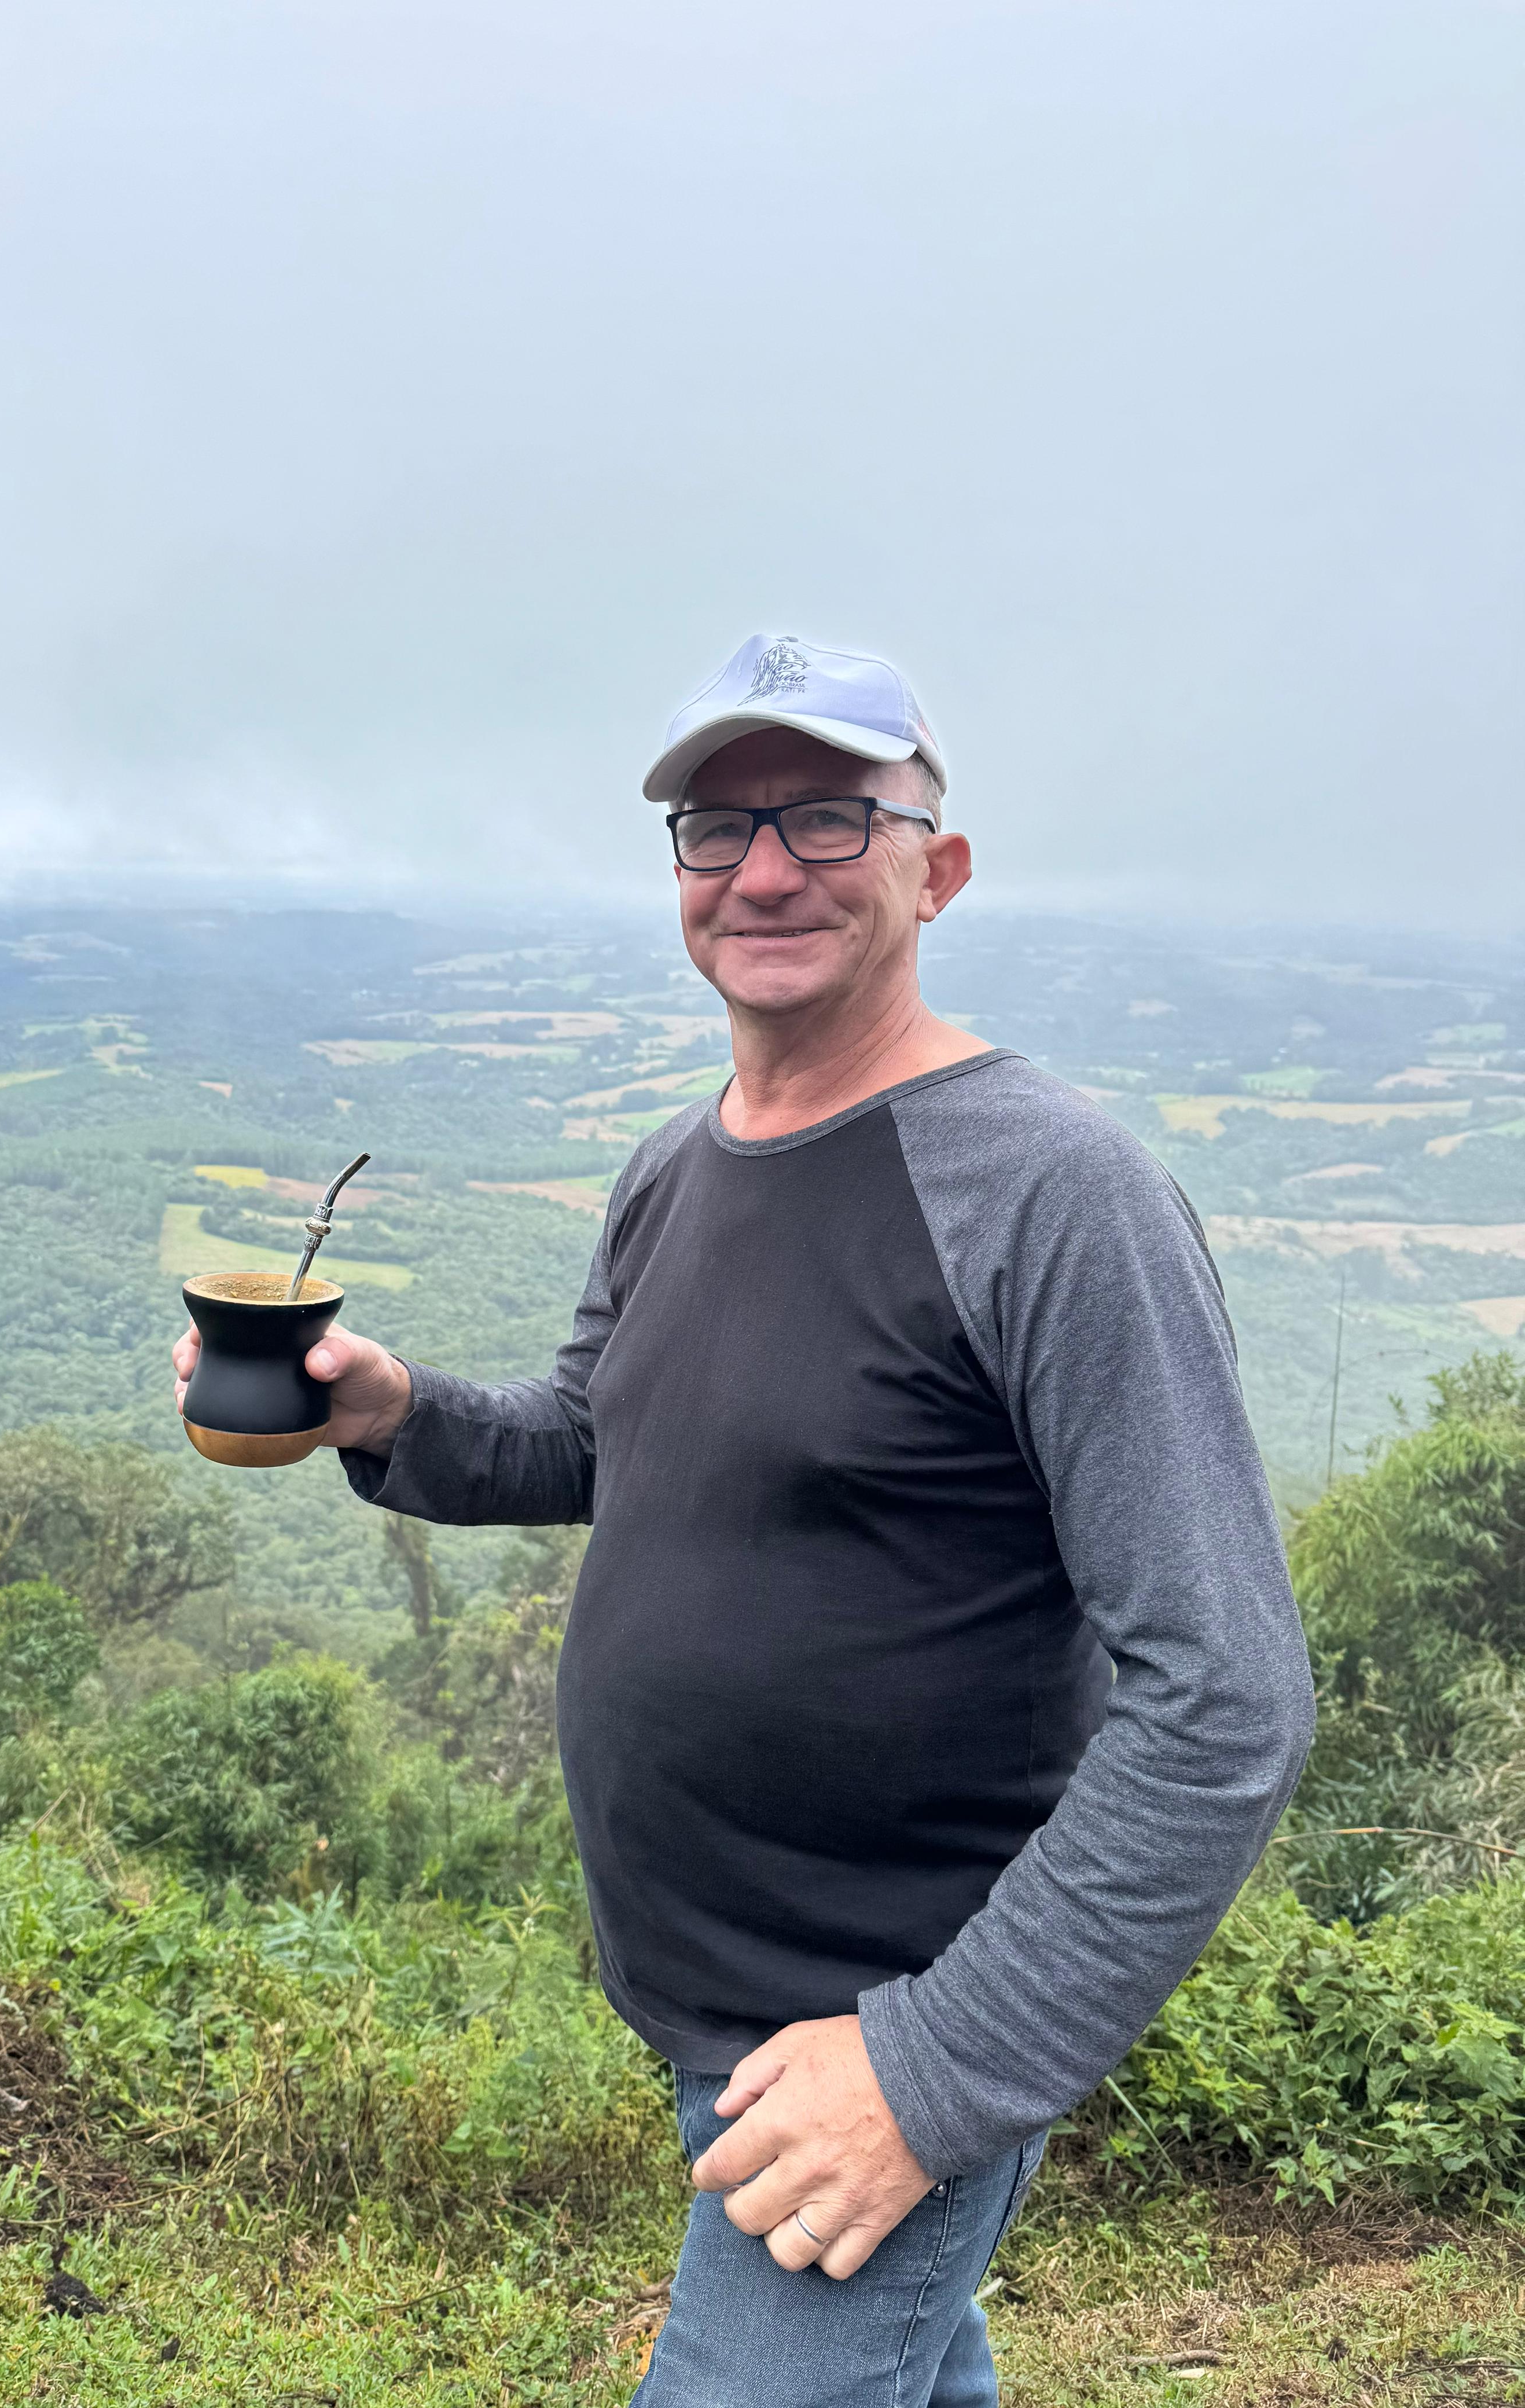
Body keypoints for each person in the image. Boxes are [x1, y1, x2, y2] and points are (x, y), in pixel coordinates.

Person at [172, 632, 1315, 2407]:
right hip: (724, 2006)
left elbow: (1227, 1697)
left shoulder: (1054, 1194)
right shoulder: (677, 1164)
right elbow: (592, 1442)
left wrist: (930, 2074)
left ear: (937, 865)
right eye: (717, 826)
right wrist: (390, 1416)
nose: (765, 867)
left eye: (830, 818)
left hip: (880, 2031)